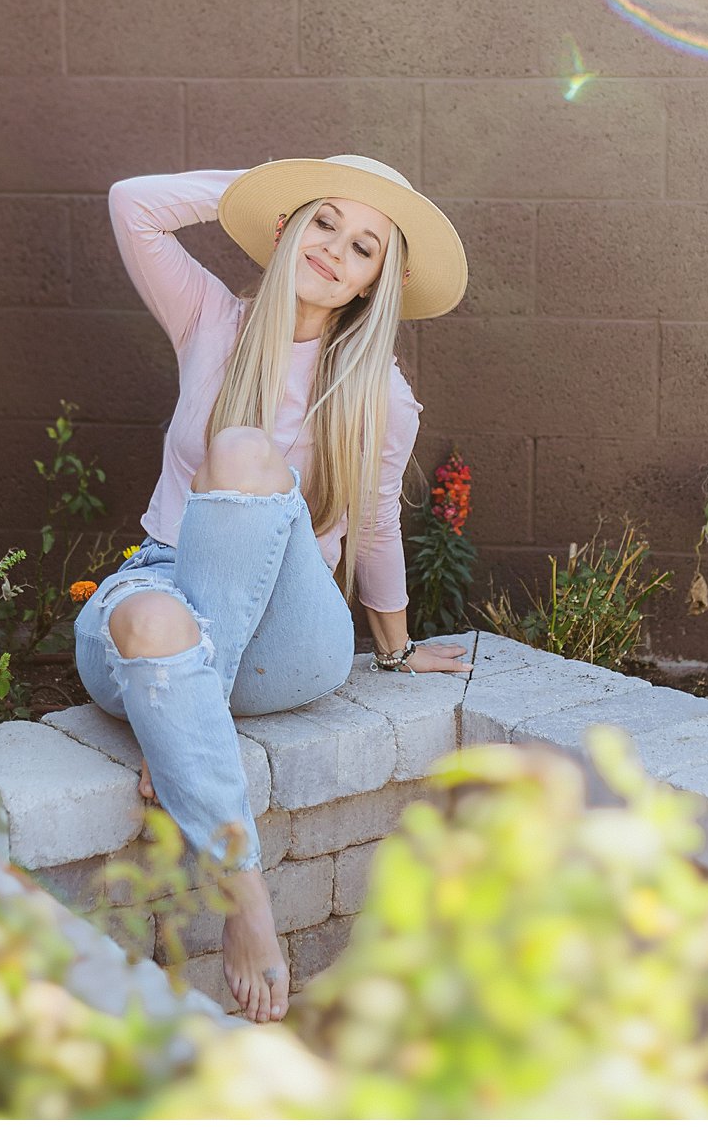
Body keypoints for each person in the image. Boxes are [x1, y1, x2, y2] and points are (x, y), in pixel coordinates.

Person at [74, 157, 472, 1024]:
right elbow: (131, 203)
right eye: (322, 222)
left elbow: (369, 529)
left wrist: (396, 649)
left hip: (290, 642)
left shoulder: (381, 396)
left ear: (376, 281)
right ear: (291, 225)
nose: (335, 250)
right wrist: (266, 188)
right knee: (143, 616)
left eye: (364, 246)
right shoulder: (214, 319)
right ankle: (237, 858)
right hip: (163, 583)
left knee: (244, 454)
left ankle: (194, 732)